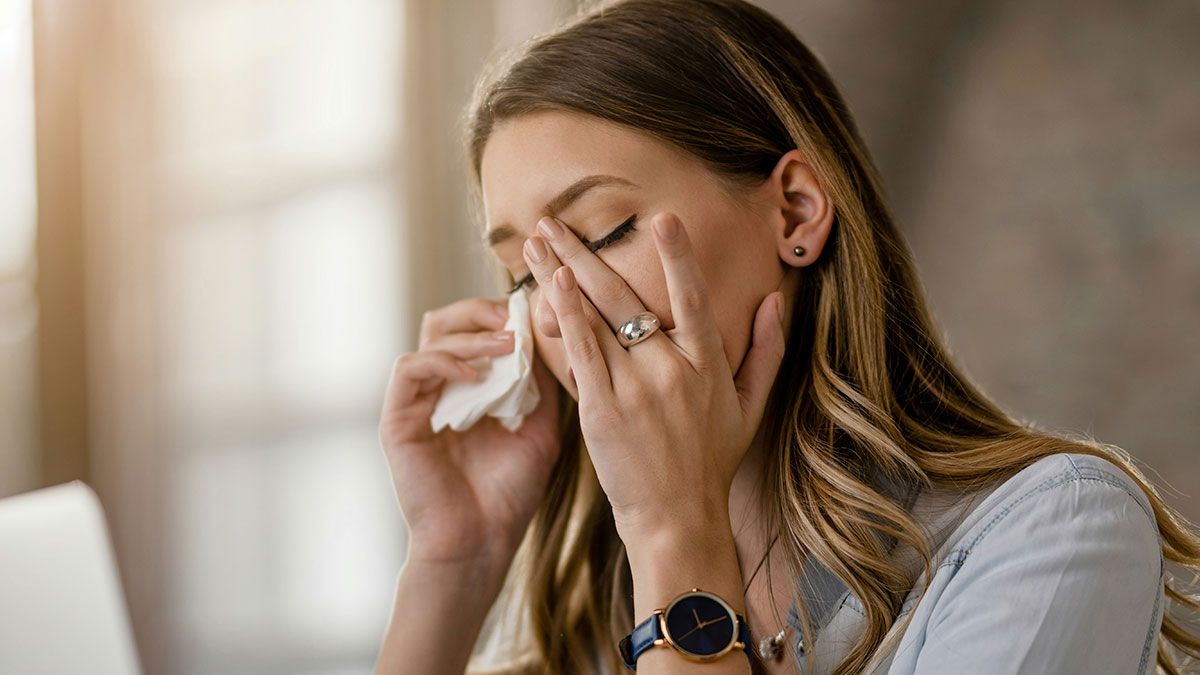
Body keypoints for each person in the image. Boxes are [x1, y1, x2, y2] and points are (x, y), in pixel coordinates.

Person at [374, 0, 1200, 673]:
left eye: (601, 232)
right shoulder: (588, 631)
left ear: (796, 211)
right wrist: (455, 562)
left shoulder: (1050, 535)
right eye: (523, 272)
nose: (557, 305)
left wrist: (675, 532)